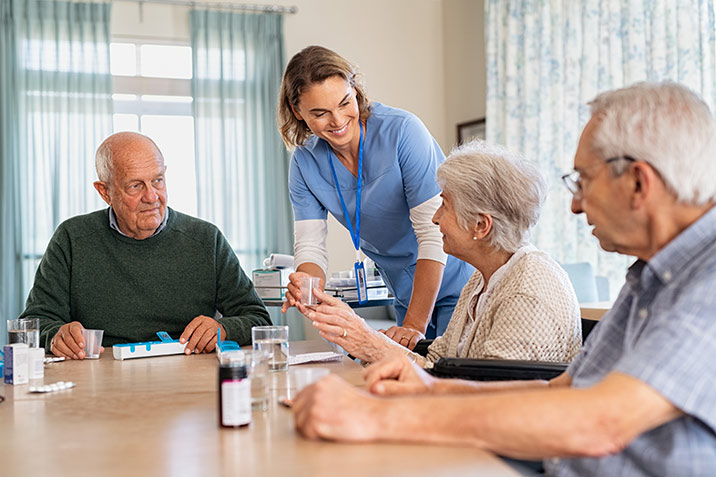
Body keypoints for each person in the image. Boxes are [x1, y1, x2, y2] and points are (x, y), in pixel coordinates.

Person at [292, 82, 716, 475]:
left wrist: (375, 415)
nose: (575, 207)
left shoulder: (706, 282)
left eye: (583, 181)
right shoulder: (651, 276)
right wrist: (430, 391)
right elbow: (563, 391)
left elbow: (601, 422)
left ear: (639, 182)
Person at [298, 140, 581, 366]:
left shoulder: (525, 293)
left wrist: (369, 342)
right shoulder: (483, 281)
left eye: (444, 205)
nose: (435, 218)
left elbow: (489, 398)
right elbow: (437, 362)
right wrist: (365, 340)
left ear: (480, 225)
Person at [277, 45, 473, 345]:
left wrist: (413, 328)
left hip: (458, 280)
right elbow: (310, 248)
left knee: (448, 379)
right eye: (320, 113)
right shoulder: (305, 163)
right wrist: (306, 283)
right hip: (405, 291)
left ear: (355, 90)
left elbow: (433, 235)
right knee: (405, 385)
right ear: (297, 111)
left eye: (345, 102)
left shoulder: (403, 132)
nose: (338, 120)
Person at [19, 132, 271, 359]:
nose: (152, 197)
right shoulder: (72, 238)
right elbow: (33, 323)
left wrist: (224, 329)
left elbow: (259, 320)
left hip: (185, 379)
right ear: (104, 192)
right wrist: (55, 336)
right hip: (101, 379)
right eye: (135, 186)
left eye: (158, 181)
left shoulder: (206, 239)